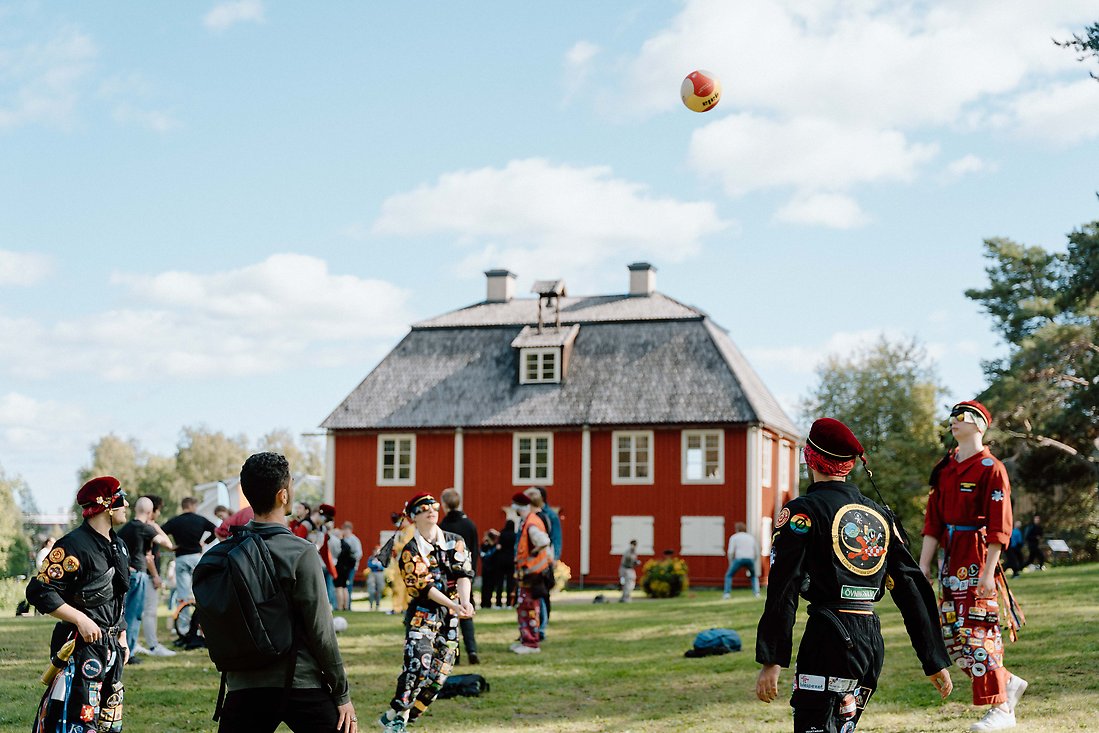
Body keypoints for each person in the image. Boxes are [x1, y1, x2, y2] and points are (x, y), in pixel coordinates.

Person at [757, 417, 953, 733]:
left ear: (811, 459)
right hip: (870, 643)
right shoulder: (880, 514)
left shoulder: (803, 512)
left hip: (828, 639)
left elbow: (784, 586)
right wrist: (933, 658)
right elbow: (910, 585)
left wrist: (772, 659)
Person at [215, 452, 357, 733]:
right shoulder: (300, 552)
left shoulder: (226, 552)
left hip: (242, 685)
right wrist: (341, 694)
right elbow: (321, 630)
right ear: (283, 495)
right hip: (298, 680)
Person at [921, 400, 1027, 732]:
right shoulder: (946, 467)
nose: (953, 421)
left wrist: (987, 572)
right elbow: (933, 521)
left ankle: (1001, 708)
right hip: (949, 560)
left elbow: (999, 525)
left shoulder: (990, 467)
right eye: (951, 416)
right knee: (953, 635)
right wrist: (924, 564)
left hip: (977, 559)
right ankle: (1006, 682)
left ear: (979, 425)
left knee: (979, 632)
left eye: (961, 417)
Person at [26, 476, 131, 732]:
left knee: (109, 720)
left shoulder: (119, 546)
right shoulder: (72, 546)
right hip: (80, 647)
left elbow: (118, 596)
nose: (126, 504)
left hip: (112, 647)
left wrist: (122, 635)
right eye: (120, 498)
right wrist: (81, 619)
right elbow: (39, 590)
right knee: (78, 720)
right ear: (105, 504)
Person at [379, 493, 474, 732]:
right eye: (423, 509)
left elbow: (463, 573)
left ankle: (399, 715)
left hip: (449, 619)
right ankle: (399, 716)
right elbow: (426, 588)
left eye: (433, 507)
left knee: (439, 676)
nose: (431, 511)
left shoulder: (456, 541)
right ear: (413, 517)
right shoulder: (411, 550)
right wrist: (454, 605)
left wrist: (465, 602)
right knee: (417, 665)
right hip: (423, 614)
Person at [116, 495, 174, 665]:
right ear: (149, 512)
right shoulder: (145, 528)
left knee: (124, 612)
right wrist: (155, 526)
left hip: (126, 574)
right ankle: (129, 652)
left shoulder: (125, 528)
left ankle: (122, 647)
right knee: (134, 615)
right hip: (138, 575)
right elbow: (168, 544)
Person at [438, 488, 480, 664]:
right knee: (466, 610)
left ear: (444, 504)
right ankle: (472, 649)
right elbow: (475, 551)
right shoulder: (469, 525)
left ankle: (456, 653)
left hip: (448, 578)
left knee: (450, 615)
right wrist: (471, 574)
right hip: (465, 576)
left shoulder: (442, 527)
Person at [132, 494, 177, 658]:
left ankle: (135, 643)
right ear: (153, 511)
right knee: (149, 611)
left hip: (142, 574)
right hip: (148, 575)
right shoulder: (148, 529)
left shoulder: (137, 527)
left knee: (138, 611)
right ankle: (153, 645)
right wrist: (156, 575)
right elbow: (151, 554)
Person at [511, 491, 552, 654]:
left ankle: (531, 643)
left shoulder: (531, 523)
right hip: (527, 574)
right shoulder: (527, 521)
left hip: (533, 574)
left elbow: (543, 541)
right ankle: (525, 639)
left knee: (529, 609)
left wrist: (534, 553)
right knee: (523, 607)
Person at [161, 496, 217, 610]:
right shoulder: (200, 519)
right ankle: (202, 622)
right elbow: (216, 530)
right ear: (191, 505)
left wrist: (170, 546)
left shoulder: (175, 521)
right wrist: (205, 542)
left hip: (181, 558)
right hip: (196, 557)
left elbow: (160, 531)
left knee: (183, 594)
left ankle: (183, 625)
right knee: (202, 589)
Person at [524, 487, 557, 640]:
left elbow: (547, 540)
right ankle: (536, 627)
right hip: (541, 563)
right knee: (538, 596)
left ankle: (541, 628)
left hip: (539, 564)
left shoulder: (540, 518)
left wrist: (535, 552)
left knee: (540, 596)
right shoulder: (542, 516)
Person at [724, 522, 761, 599]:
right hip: (750, 559)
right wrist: (755, 560)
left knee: (729, 575)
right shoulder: (751, 537)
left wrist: (731, 562)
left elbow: (730, 551)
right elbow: (756, 551)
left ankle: (727, 593)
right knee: (754, 576)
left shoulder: (734, 537)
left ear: (737, 529)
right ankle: (756, 593)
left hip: (739, 559)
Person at [340, 521, 363, 609]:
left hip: (351, 566)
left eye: (346, 530)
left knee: (348, 585)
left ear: (349, 530)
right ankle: (342, 604)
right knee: (342, 585)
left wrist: (351, 559)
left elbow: (359, 554)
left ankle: (348, 605)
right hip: (343, 566)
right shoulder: (343, 539)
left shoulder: (354, 540)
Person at [479, 529, 504, 609]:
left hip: (493, 570)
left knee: (491, 587)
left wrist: (497, 533)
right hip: (486, 569)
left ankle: (488, 603)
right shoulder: (485, 546)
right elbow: (484, 556)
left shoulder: (496, 546)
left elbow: (503, 537)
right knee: (485, 587)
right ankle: (484, 603)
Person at [366, 545, 386, 611]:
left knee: (379, 590)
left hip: (380, 574)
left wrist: (377, 565)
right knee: (371, 590)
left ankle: (378, 605)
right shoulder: (371, 558)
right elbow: (369, 565)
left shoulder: (382, 558)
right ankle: (371, 605)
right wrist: (376, 565)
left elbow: (383, 566)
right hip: (372, 574)